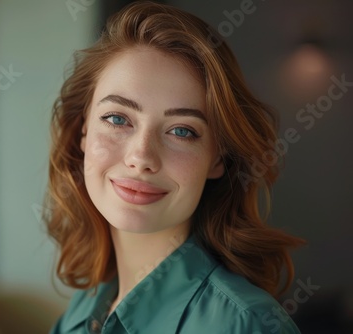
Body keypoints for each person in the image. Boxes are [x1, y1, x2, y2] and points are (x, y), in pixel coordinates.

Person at [44, 2, 305, 333]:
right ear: (83, 131)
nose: (141, 157)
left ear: (217, 159)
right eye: (117, 118)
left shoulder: (246, 324)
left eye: (182, 130)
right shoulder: (84, 307)